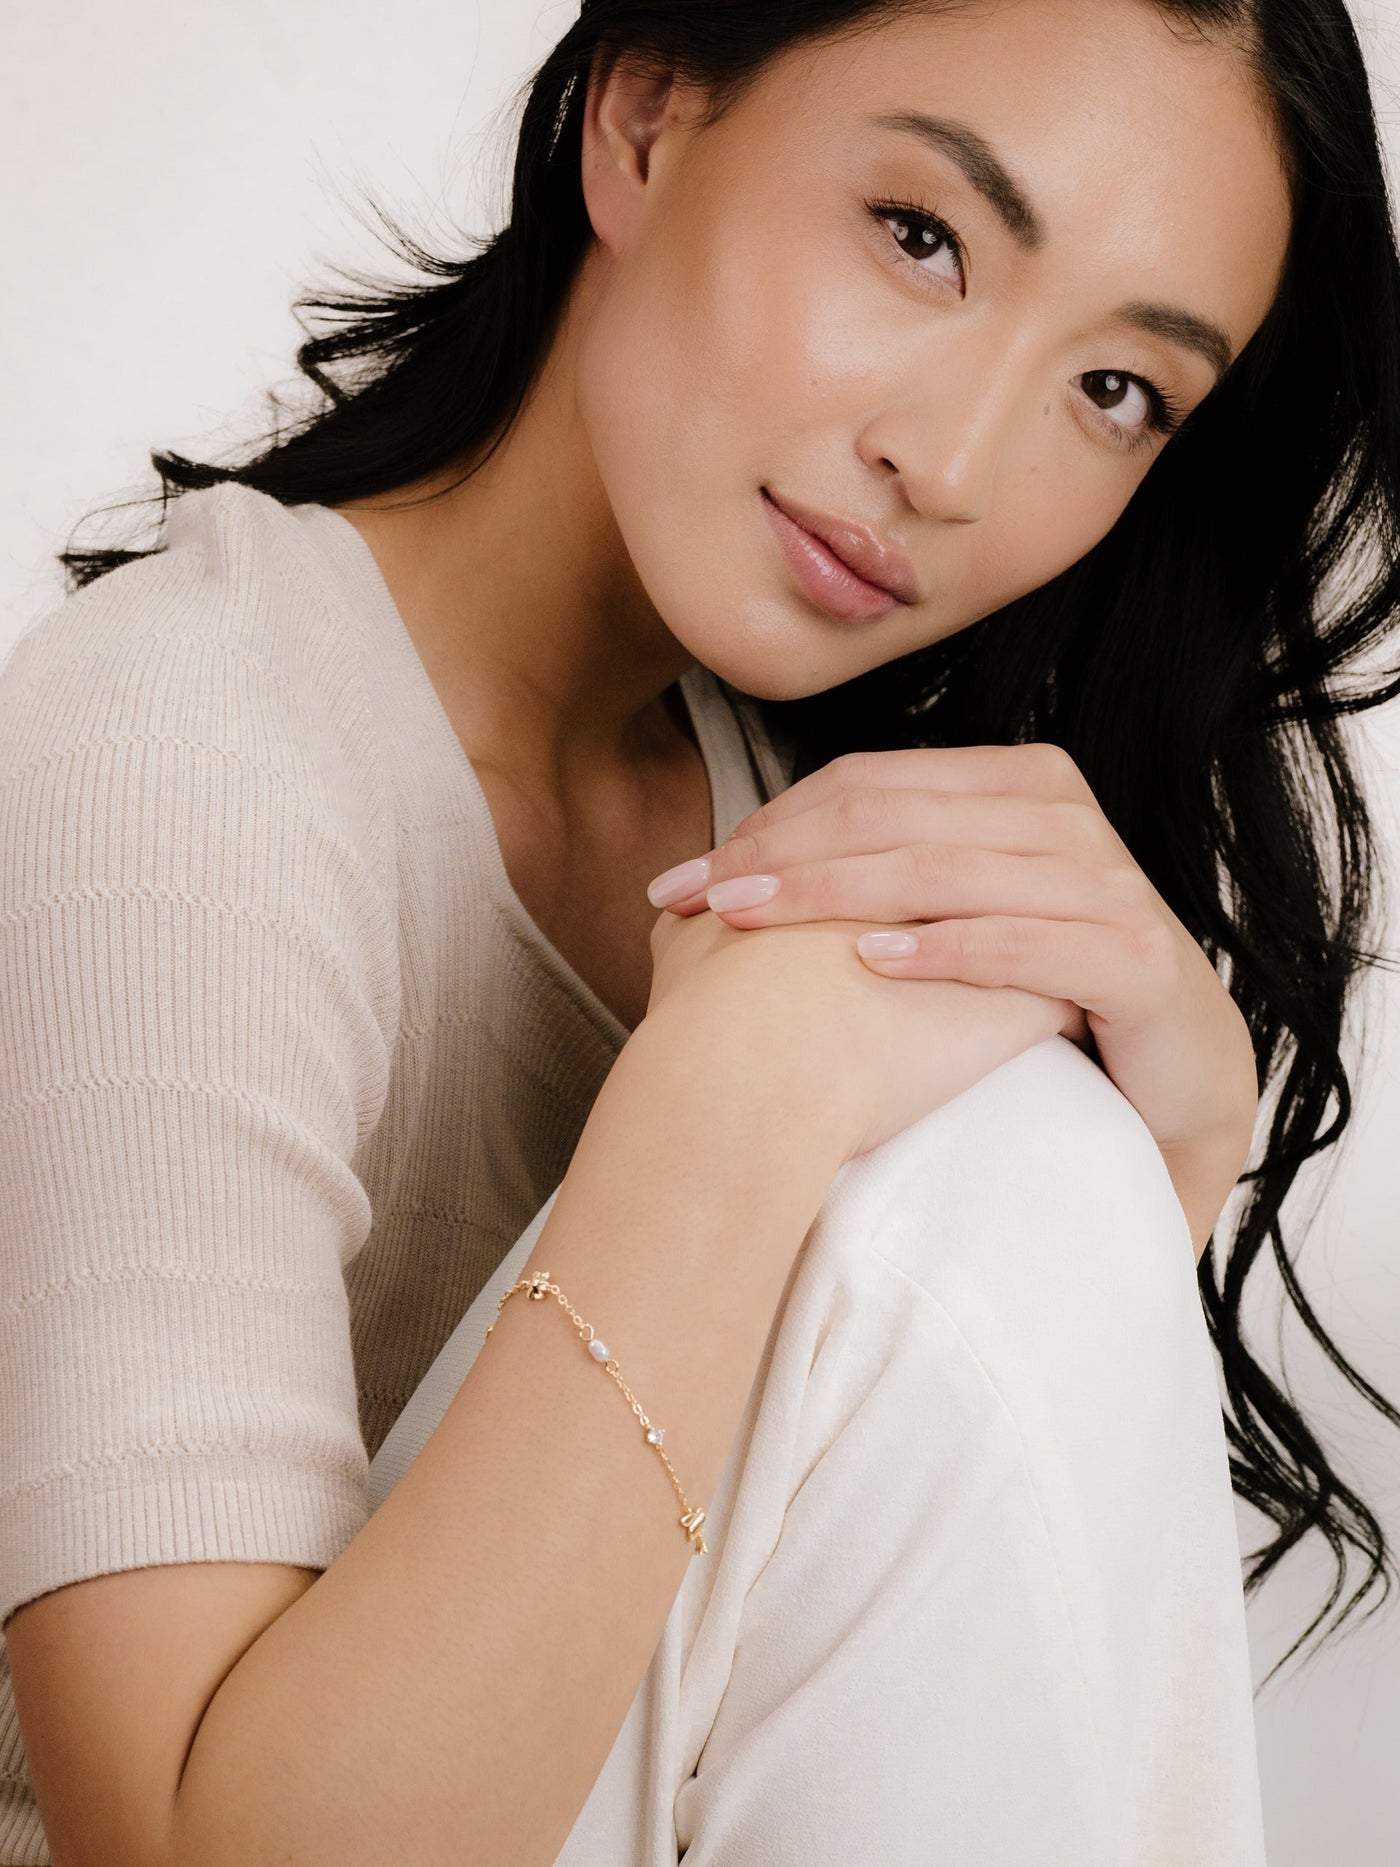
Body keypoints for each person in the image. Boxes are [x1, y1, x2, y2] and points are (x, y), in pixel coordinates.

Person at [1, 0, 1398, 1862]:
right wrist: (726, 1104)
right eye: (924, 238)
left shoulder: (798, 806)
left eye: (1115, 389)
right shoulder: (183, 758)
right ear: (647, 120)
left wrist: (1173, 1168)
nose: (958, 457)